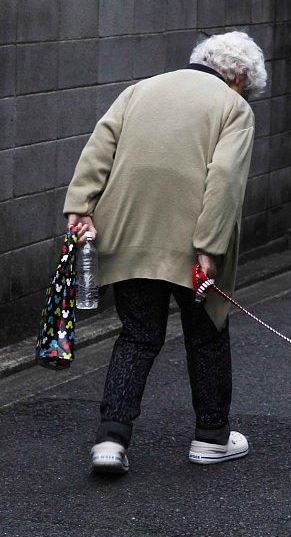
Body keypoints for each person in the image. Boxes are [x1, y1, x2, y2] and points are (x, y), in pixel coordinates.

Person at [63, 31, 266, 475]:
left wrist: (80, 208)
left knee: (138, 335)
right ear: (238, 79)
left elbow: (99, 147)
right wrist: (210, 248)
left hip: (127, 233)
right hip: (191, 246)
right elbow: (225, 179)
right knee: (207, 333)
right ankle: (211, 438)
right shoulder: (234, 108)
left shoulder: (140, 89)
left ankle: (110, 441)